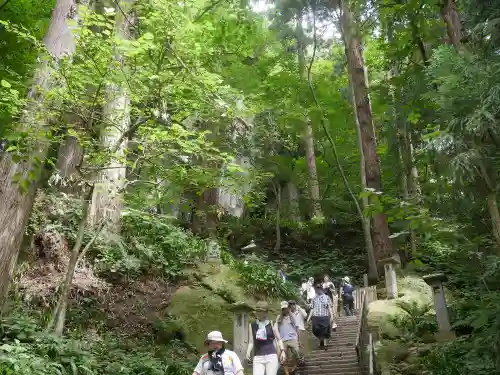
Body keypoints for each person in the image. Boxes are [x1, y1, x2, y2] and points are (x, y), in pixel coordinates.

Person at [246, 301, 287, 375]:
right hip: (258, 357)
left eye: (260, 311)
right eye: (257, 311)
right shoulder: (252, 325)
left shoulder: (272, 323)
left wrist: (283, 351)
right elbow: (251, 342)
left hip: (271, 355)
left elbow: (279, 339)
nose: (258, 313)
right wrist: (248, 351)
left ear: (266, 312)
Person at [275, 301, 301, 375]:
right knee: (284, 357)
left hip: (292, 338)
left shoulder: (293, 316)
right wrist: (278, 340)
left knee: (297, 351)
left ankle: (294, 367)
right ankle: (287, 373)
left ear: (288, 308)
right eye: (283, 309)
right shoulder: (278, 318)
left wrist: (299, 339)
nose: (284, 310)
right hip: (283, 340)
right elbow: (276, 329)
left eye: (285, 308)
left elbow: (297, 328)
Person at [307, 284, 335, 349]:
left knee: (324, 330)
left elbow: (330, 307)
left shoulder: (327, 297)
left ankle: (324, 345)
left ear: (321, 289)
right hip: (316, 316)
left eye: (319, 288)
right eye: (317, 288)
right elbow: (312, 308)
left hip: (324, 316)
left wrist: (332, 316)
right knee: (316, 330)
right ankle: (321, 340)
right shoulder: (314, 298)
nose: (318, 290)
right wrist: (308, 318)